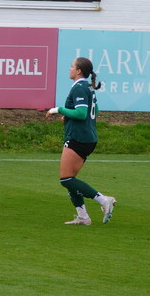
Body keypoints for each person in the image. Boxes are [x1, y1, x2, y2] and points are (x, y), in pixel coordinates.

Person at [44, 57, 116, 226]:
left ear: (78, 71)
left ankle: (104, 200)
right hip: (88, 137)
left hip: (78, 137)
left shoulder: (79, 87)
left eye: (72, 66)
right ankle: (83, 217)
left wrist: (58, 110)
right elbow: (95, 110)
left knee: (66, 179)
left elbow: (82, 114)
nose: (69, 68)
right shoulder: (88, 87)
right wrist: (68, 116)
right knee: (71, 180)